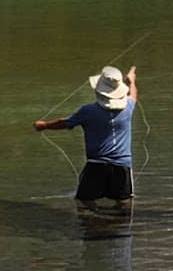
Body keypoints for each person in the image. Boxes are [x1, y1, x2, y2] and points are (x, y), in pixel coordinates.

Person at [35, 65, 138, 207]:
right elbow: (133, 96)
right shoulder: (129, 107)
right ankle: (114, 219)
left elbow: (64, 123)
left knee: (85, 200)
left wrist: (44, 125)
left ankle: (94, 216)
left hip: (96, 164)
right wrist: (132, 82)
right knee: (123, 200)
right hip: (122, 165)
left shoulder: (88, 111)